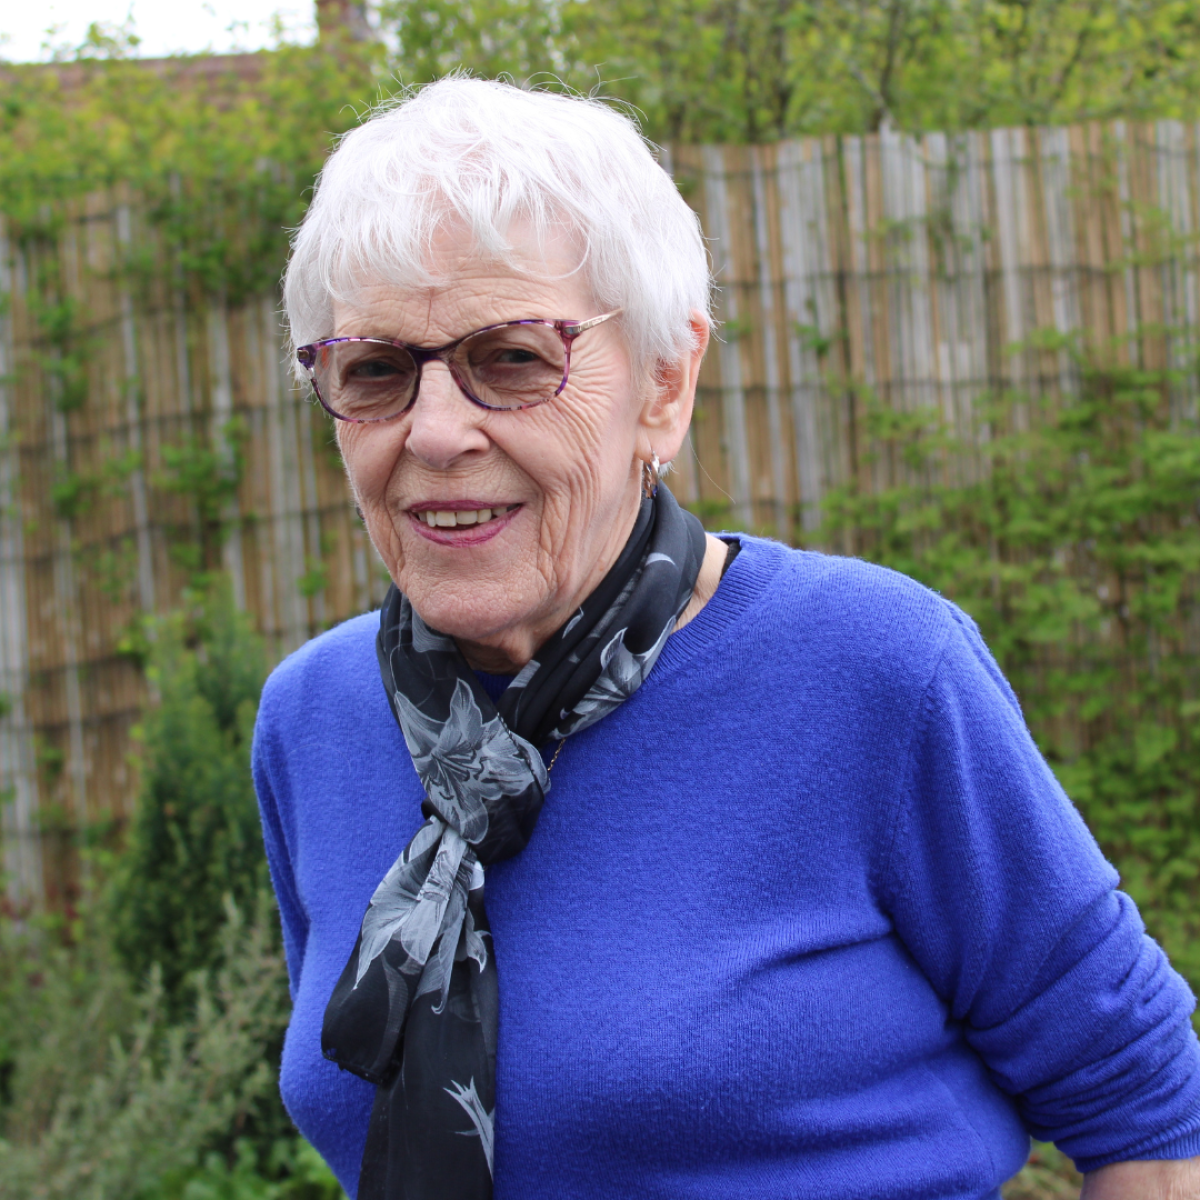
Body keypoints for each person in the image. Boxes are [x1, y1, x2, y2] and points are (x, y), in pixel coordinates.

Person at [253, 77, 1200, 1200]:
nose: (438, 430)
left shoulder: (873, 672)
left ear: (664, 384)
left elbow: (1148, 1107)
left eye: (511, 358)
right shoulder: (314, 719)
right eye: (375, 369)